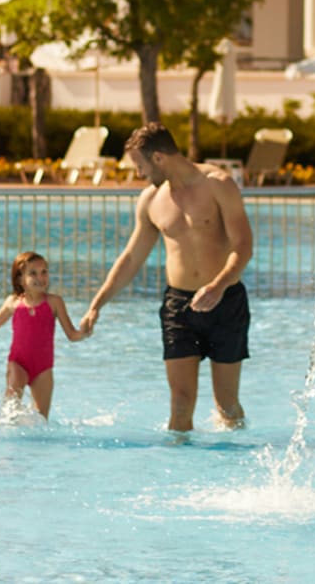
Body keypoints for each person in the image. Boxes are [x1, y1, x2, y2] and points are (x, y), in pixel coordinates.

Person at [80, 123, 254, 432]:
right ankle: (179, 471)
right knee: (181, 401)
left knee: (226, 404)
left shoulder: (218, 185)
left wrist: (218, 285)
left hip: (225, 301)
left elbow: (243, 247)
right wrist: (97, 304)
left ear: (158, 158)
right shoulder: (151, 200)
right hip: (179, 307)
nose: (139, 174)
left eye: (140, 165)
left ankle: (233, 466)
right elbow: (131, 257)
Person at [0, 250, 88, 418]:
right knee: (10, 412)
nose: (40, 278)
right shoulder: (13, 302)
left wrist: (85, 332)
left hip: (43, 369)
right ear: (21, 279)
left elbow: (72, 335)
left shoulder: (54, 302)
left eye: (44, 272)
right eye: (33, 273)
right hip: (18, 363)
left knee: (41, 421)